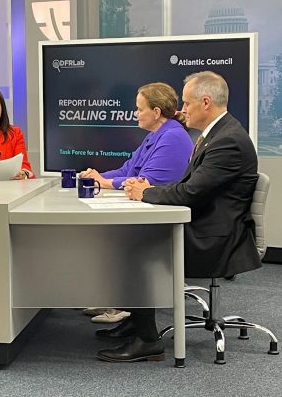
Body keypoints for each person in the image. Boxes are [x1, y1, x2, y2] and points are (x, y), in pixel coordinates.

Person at [96, 71, 261, 363]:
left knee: (136, 247)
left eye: (186, 103)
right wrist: (149, 189)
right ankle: (138, 323)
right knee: (132, 238)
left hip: (216, 238)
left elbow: (189, 193)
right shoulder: (216, 135)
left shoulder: (227, 141)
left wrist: (145, 193)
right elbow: (187, 186)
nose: (181, 110)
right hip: (207, 225)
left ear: (206, 102)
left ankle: (148, 341)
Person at [80, 82, 193, 323]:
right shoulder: (157, 135)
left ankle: (123, 305)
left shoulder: (172, 137)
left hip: (161, 220)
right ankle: (118, 300)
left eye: (139, 109)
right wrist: (98, 178)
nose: (135, 114)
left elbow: (145, 182)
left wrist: (104, 182)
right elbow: (127, 169)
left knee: (118, 241)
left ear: (156, 112)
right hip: (148, 211)